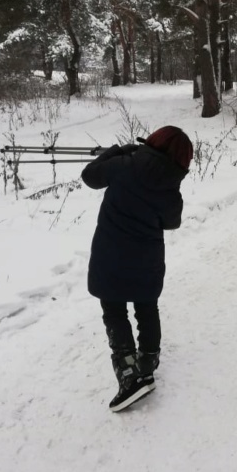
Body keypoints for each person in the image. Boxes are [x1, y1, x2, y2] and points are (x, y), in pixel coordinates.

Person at [81, 126, 193, 412]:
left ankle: (129, 375)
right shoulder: (171, 187)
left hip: (110, 254)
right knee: (146, 307)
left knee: (114, 310)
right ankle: (148, 360)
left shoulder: (123, 165)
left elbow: (90, 176)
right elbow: (172, 222)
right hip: (147, 258)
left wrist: (117, 150)